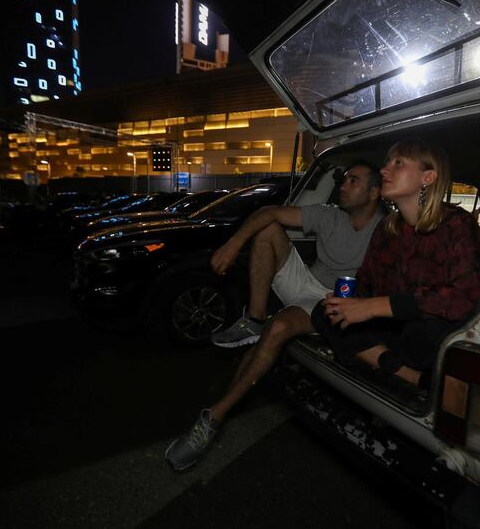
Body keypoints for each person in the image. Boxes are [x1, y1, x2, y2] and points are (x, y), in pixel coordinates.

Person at [164, 163, 385, 471]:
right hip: (306, 280)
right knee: (267, 228)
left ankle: (213, 418)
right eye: (344, 179)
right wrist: (234, 244)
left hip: (331, 302)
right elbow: (268, 212)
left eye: (353, 181)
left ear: (374, 192)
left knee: (278, 327)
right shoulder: (330, 214)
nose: (343, 185)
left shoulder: (385, 230)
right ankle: (254, 318)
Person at [312, 139, 480, 394]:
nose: (384, 170)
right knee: (324, 312)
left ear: (427, 177)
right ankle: (410, 377)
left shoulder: (456, 224)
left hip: (431, 333)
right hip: (393, 328)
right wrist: (346, 301)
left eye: (398, 163)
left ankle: (384, 365)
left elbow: (466, 295)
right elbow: (367, 282)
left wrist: (373, 307)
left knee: (419, 330)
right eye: (387, 163)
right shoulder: (387, 229)